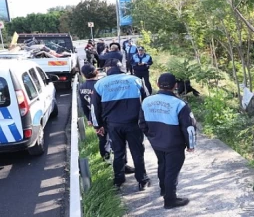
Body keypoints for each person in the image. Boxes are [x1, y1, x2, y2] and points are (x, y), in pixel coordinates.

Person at [139, 72, 197, 209]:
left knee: (163, 165)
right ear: (175, 86)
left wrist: (152, 136)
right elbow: (189, 127)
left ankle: (164, 190)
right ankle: (170, 200)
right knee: (172, 171)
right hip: (174, 144)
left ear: (157, 84)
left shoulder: (146, 101)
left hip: (157, 143)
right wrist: (191, 145)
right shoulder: (180, 104)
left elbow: (141, 124)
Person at [91, 59, 150, 189]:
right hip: (134, 124)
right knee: (137, 152)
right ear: (121, 67)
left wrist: (97, 126)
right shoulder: (136, 80)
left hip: (113, 125)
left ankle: (118, 180)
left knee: (118, 152)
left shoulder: (100, 84)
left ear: (107, 69)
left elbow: (94, 108)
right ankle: (142, 180)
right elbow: (147, 101)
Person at [79, 64, 135, 173]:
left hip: (94, 117)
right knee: (117, 142)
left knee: (103, 140)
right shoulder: (101, 84)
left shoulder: (82, 87)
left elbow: (83, 105)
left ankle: (107, 162)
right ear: (95, 72)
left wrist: (89, 119)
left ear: (83, 75)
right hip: (107, 117)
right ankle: (122, 165)